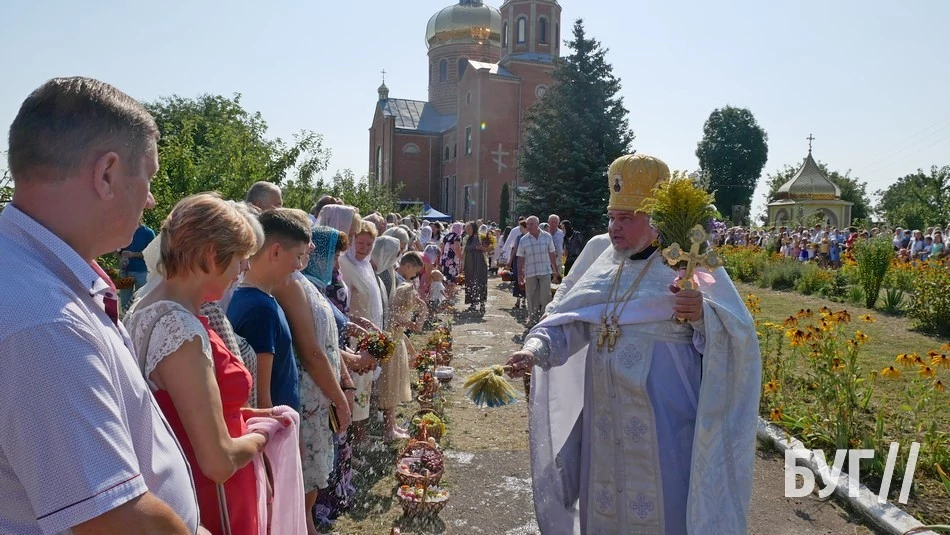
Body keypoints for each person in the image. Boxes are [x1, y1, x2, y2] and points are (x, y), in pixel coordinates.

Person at [505, 153, 760, 534]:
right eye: (611, 217)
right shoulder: (601, 259)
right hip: (604, 423)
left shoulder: (690, 263)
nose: (614, 228)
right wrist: (534, 350)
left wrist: (701, 315)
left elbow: (738, 335)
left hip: (666, 425)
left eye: (625, 219)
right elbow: (569, 318)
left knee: (662, 509)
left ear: (654, 220)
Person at [0, 77, 201, 534]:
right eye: (146, 178)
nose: (150, 199)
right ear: (107, 174)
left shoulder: (34, 280)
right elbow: (116, 519)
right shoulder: (46, 320)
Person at [127, 194, 290, 535]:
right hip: (212, 501)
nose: (243, 270)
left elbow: (183, 411)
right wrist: (264, 435)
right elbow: (218, 462)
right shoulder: (181, 330)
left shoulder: (145, 307)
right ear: (213, 255)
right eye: (241, 259)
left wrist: (247, 417)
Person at [274, 222, 355, 535]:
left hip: (320, 392)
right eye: (306, 249)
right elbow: (311, 352)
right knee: (306, 472)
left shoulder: (309, 285)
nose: (335, 263)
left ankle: (307, 525)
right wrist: (338, 396)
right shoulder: (291, 284)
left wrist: (344, 385)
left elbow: (329, 345)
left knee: (314, 471)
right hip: (309, 392)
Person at [228, 209, 312, 412]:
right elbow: (262, 399)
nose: (299, 265)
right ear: (275, 251)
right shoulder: (261, 310)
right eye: (298, 256)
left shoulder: (254, 299)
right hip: (276, 431)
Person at [517, 216, 559, 322]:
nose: (529, 226)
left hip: (545, 270)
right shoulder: (524, 239)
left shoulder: (547, 236)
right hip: (530, 271)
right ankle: (532, 318)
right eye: (528, 224)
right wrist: (520, 273)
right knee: (531, 297)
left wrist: (555, 270)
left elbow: (552, 253)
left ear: (537, 224)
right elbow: (520, 257)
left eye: (531, 224)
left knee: (546, 296)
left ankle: (545, 319)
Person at [118, 222, 156, 312]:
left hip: (142, 272)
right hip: (124, 272)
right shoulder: (123, 231)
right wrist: (121, 259)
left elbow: (152, 253)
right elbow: (118, 250)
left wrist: (133, 254)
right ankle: (125, 324)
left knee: (142, 301)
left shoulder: (148, 233)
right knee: (124, 302)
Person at [462, 221, 489, 314]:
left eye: (469, 229)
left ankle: (482, 303)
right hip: (469, 263)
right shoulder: (466, 238)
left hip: (480, 263)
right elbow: (464, 252)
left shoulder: (482, 237)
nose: (468, 231)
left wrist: (481, 248)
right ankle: (472, 303)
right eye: (466, 229)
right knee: (470, 282)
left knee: (481, 282)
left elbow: (489, 249)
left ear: (474, 228)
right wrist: (462, 264)